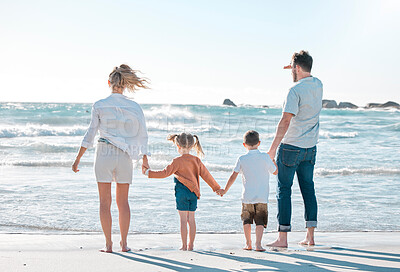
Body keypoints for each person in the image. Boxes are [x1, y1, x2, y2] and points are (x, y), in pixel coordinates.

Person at [72, 64, 150, 253]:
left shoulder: (99, 104)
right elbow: (143, 134)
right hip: (124, 157)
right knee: (123, 203)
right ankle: (124, 244)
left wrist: (78, 158)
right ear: (125, 84)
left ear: (109, 83)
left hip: (104, 153)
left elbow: (90, 133)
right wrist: (144, 158)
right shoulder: (134, 106)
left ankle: (108, 245)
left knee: (104, 202)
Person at [267, 50, 323, 247]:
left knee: (284, 190)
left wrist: (272, 149)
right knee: (308, 189)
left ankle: (282, 238)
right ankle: (310, 237)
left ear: (297, 68)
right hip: (310, 148)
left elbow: (285, 120)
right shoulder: (318, 84)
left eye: (293, 67)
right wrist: (293, 66)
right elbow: (304, 74)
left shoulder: (294, 91)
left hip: (291, 148)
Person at [142, 133, 222, 251]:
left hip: (181, 194)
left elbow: (164, 173)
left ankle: (184, 246)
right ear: (192, 146)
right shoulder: (196, 160)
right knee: (192, 220)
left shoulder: (177, 161)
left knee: (183, 220)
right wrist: (216, 188)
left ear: (178, 146)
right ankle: (191, 245)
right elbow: (206, 175)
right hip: (194, 193)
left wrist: (148, 173)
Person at [220, 130, 278, 251]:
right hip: (262, 197)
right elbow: (275, 172)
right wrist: (273, 161)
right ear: (259, 143)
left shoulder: (242, 159)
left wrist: (225, 190)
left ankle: (248, 243)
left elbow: (233, 175)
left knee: (246, 220)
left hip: (247, 197)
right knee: (260, 222)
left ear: (244, 144)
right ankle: (258, 244)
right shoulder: (265, 157)